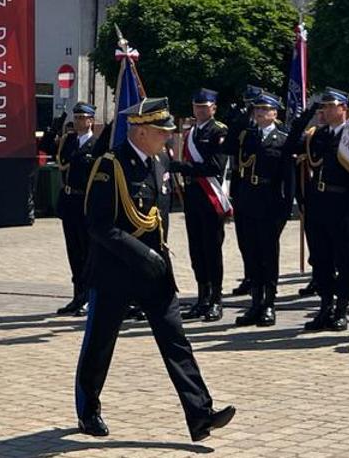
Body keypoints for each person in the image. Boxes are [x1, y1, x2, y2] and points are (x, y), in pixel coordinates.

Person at [73, 97, 235, 442]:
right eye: (162, 131)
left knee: (176, 340)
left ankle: (200, 414)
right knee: (100, 345)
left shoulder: (161, 161)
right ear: (141, 130)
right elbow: (99, 225)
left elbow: (156, 220)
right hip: (115, 271)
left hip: (155, 272)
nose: (168, 136)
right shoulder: (110, 165)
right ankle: (88, 411)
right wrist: (141, 255)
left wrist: (155, 261)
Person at [285, 89, 349, 332]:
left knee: (343, 259)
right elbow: (289, 146)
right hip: (318, 203)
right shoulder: (316, 135)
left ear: (344, 109)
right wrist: (306, 114)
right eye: (324, 107)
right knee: (321, 259)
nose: (327, 111)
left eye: (332, 106)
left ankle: (342, 308)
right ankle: (325, 305)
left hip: (342, 204)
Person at [167, 89, 230, 322]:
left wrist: (183, 168)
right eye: (197, 106)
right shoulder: (192, 131)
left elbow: (215, 166)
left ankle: (216, 299)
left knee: (212, 249)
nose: (201, 110)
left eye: (205, 106)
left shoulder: (218, 131)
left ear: (213, 108)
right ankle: (202, 297)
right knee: (196, 249)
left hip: (210, 196)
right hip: (193, 195)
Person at [229, 92, 290, 327]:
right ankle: (255, 302)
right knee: (250, 253)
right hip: (246, 200)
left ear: (275, 113)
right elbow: (229, 151)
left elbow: (288, 178)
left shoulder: (282, 139)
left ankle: (269, 304)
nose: (260, 113)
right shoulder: (247, 136)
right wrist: (238, 121)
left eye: (265, 110)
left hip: (269, 202)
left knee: (268, 256)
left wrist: (284, 210)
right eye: (257, 110)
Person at [49, 103, 99, 316]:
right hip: (69, 203)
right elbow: (46, 147)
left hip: (86, 204)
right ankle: (77, 295)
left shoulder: (96, 145)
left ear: (91, 121)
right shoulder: (68, 141)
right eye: (76, 117)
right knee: (74, 252)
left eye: (83, 118)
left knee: (88, 252)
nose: (79, 121)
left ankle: (89, 296)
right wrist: (56, 125)